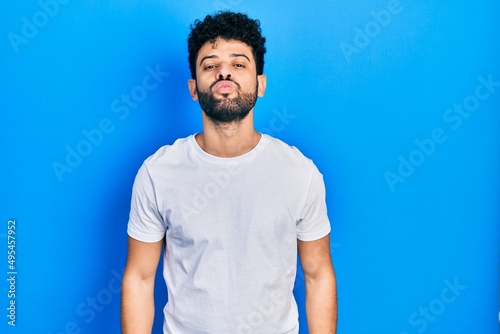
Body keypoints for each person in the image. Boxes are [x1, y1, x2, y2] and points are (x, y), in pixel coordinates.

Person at [121, 11, 337, 334]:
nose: (224, 71)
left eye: (239, 64)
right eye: (210, 65)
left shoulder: (299, 174)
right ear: (193, 88)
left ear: (260, 84)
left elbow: (318, 274)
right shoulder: (158, 173)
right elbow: (139, 278)